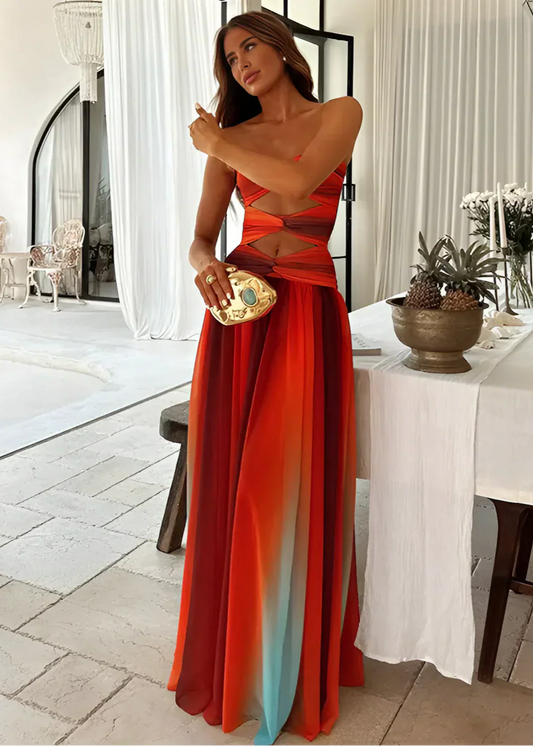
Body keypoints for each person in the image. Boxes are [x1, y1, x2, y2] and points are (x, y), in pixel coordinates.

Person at [168, 10, 363, 746]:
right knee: (232, 482)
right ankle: (236, 653)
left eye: (250, 45)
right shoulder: (232, 138)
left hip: (307, 311)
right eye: (229, 56)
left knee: (284, 485)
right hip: (240, 313)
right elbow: (199, 238)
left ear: (282, 48)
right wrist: (205, 268)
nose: (241, 62)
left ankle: (287, 661)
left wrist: (216, 140)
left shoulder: (338, 113)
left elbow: (300, 181)